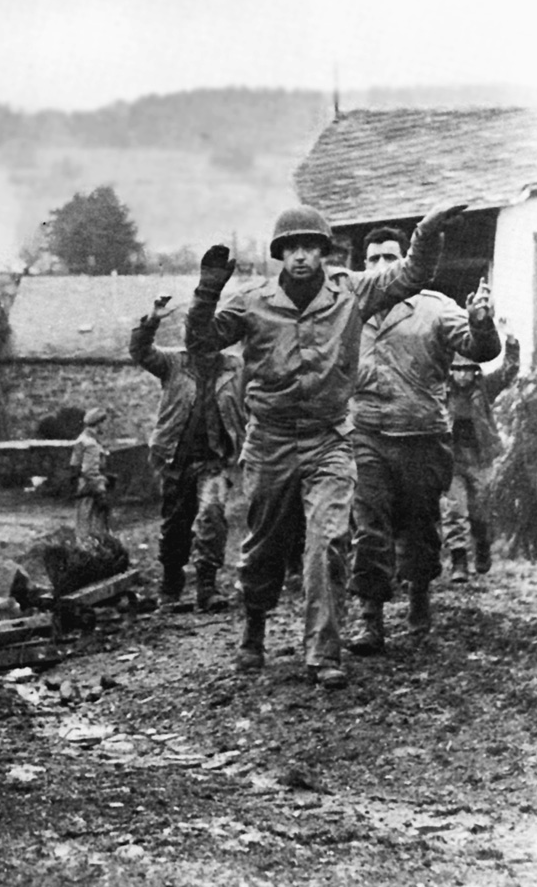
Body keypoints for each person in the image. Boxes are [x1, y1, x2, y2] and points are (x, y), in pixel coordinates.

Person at [185, 202, 463, 689]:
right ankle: (254, 627)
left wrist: (428, 232)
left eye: (309, 246)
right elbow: (202, 344)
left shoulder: (352, 292)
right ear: (279, 254)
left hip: (330, 438)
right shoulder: (252, 301)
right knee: (265, 544)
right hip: (270, 439)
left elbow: (412, 273)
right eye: (290, 247)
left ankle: (323, 651)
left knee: (329, 540)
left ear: (324, 251)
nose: (300, 257)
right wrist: (208, 290)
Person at [347, 227, 501, 657]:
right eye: (373, 258)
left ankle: (418, 599)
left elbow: (480, 349)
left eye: (389, 257)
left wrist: (481, 323)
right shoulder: (348, 309)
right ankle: (370, 618)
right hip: (366, 435)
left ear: (406, 260)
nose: (381, 266)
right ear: (363, 264)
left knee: (419, 525)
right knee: (369, 527)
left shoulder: (433, 308)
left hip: (422, 437)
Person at [129, 294, 246, 611]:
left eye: (206, 333)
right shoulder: (172, 363)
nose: (198, 339)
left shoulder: (236, 368)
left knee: (212, 517)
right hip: (174, 459)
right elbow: (140, 351)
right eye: (193, 332)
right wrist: (152, 319)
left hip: (214, 462)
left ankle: (207, 588)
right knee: (175, 524)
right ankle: (170, 588)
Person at [442, 324, 520, 583]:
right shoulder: (442, 392)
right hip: (452, 459)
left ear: (475, 371)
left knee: (481, 509)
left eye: (467, 369)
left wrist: (511, 343)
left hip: (480, 457)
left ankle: (483, 547)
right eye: (457, 369)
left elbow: (509, 371)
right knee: (454, 510)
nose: (462, 375)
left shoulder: (485, 387)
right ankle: (459, 561)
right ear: (451, 371)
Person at [71, 407, 113, 543]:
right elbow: (90, 472)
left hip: (82, 488)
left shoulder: (81, 439)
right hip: (92, 489)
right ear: (99, 423)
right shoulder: (91, 444)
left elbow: (74, 464)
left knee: (83, 522)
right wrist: (102, 486)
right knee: (93, 526)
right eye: (104, 423)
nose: (105, 426)